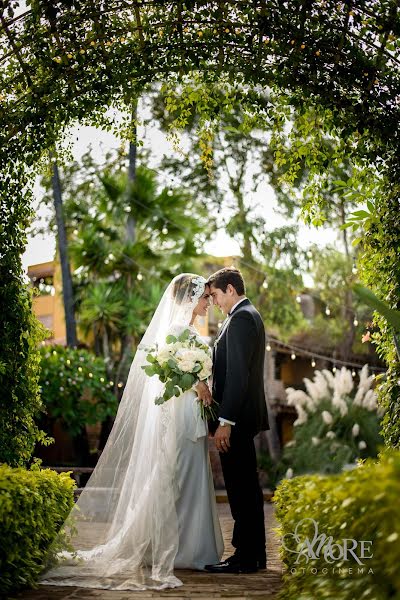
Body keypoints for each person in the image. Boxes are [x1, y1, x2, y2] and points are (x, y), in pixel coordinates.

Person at [38, 274, 223, 592]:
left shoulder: (188, 331)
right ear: (190, 299)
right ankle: (179, 550)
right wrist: (198, 382)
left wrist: (202, 384)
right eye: (205, 298)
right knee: (179, 476)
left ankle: (191, 547)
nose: (208, 303)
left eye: (209, 297)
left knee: (189, 477)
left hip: (191, 414)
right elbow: (170, 374)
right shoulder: (177, 331)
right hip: (180, 417)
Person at [205, 267, 269, 574]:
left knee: (241, 489)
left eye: (216, 295)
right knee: (246, 489)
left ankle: (245, 557)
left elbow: (238, 375)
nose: (214, 302)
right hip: (241, 416)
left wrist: (225, 421)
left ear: (230, 289)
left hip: (238, 418)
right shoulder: (243, 315)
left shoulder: (242, 317)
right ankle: (252, 555)